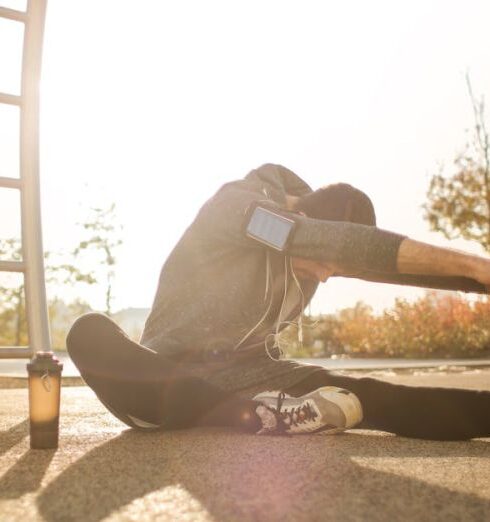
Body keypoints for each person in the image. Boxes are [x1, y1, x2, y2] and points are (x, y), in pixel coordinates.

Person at [67, 164, 490, 440]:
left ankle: (270, 415)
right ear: (304, 221)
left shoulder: (311, 245)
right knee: (88, 332)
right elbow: (311, 239)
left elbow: (379, 263)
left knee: (364, 395)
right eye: (327, 264)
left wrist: (478, 277)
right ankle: (256, 416)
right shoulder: (244, 212)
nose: (325, 276)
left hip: (256, 378)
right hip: (161, 382)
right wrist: (475, 264)